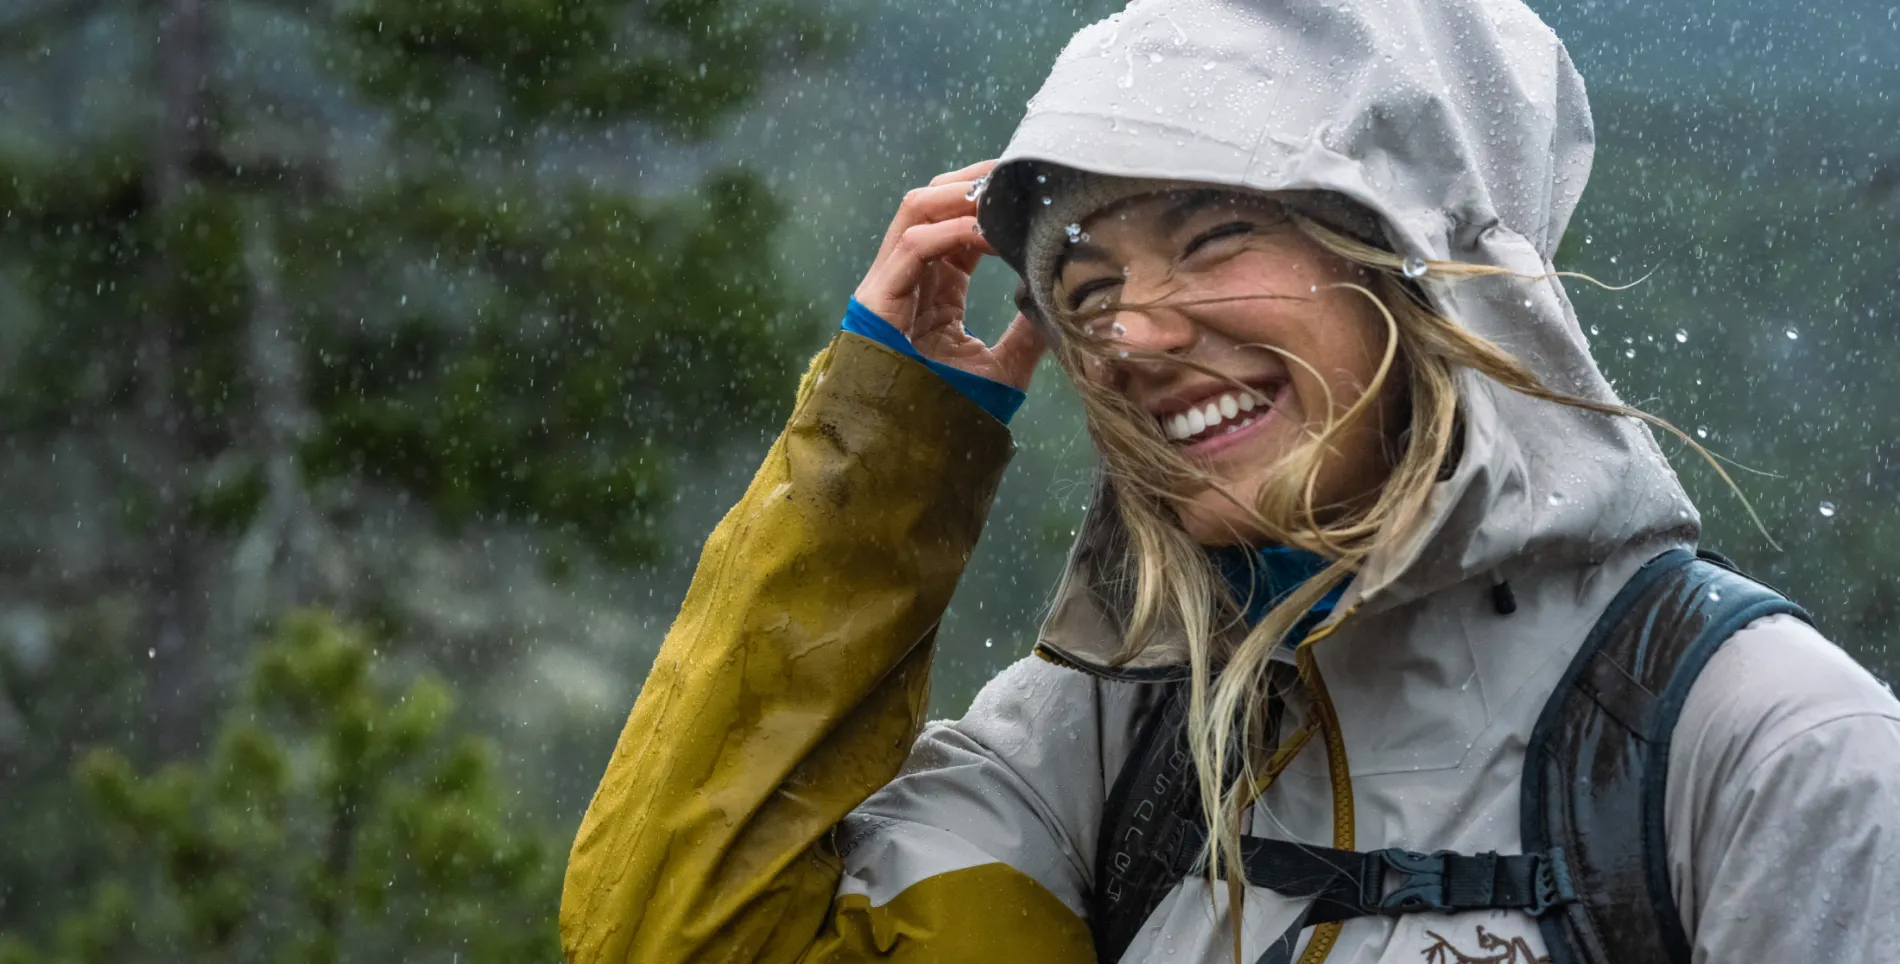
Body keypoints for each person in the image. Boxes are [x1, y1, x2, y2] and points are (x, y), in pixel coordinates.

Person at [559, 0, 1900, 961]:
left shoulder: (1753, 748)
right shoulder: (1097, 750)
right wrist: (890, 436)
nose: (1131, 334)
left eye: (1210, 238)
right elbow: (691, 934)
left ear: (1421, 263)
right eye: (1086, 288)